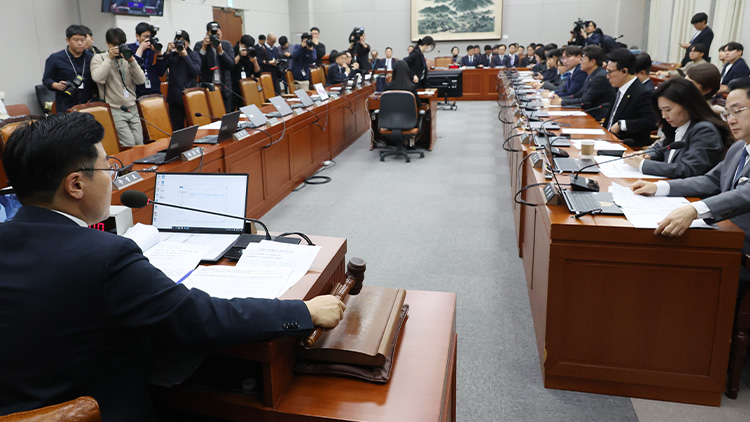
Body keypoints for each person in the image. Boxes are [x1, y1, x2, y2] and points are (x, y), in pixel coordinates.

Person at [0, 112, 346, 421]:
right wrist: (302, 311)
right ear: (76, 184)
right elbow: (200, 316)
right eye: (108, 168)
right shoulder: (104, 257)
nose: (112, 178)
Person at [630, 77, 750, 288]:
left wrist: (694, 210)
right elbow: (711, 180)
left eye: (737, 111)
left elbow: (744, 194)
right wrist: (659, 187)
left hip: (743, 251)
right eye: (727, 113)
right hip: (727, 238)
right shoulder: (739, 148)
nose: (730, 119)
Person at [623, 78, 731, 178]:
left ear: (687, 105)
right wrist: (646, 155)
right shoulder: (679, 124)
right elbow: (663, 147)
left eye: (668, 110)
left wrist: (643, 164)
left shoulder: (705, 130)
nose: (664, 116)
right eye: (661, 110)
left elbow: (689, 169)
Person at [90, 28, 146, 147]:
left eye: (120, 44)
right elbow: (98, 78)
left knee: (139, 142)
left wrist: (131, 60)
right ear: (107, 43)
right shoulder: (99, 58)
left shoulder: (127, 58)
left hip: (132, 106)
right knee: (129, 144)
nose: (118, 48)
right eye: (114, 45)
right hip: (114, 108)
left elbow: (141, 80)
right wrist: (109, 59)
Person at [603, 49, 657, 147]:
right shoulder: (619, 88)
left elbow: (651, 121)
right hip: (608, 140)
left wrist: (622, 125)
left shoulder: (643, 93)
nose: (607, 76)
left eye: (610, 72)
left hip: (628, 147)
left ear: (624, 71)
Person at [42, 25, 95, 113]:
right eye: (76, 40)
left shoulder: (91, 57)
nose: (80, 43)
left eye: (82, 40)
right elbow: (46, 79)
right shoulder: (56, 58)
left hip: (88, 104)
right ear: (68, 40)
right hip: (66, 104)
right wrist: (55, 85)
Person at [555, 45, 614, 120]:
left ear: (592, 62)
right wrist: (559, 99)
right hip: (588, 115)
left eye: (582, 59)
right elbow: (577, 95)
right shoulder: (591, 75)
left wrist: (561, 101)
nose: (580, 62)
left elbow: (584, 101)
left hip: (598, 118)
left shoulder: (600, 77)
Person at [194, 21, 235, 112]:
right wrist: (203, 48)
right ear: (207, 34)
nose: (216, 36)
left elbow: (231, 65)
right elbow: (197, 66)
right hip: (207, 89)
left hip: (224, 89)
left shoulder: (226, 45)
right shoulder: (199, 45)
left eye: (218, 34)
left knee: (226, 117)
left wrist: (220, 51)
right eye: (213, 34)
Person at [164, 30, 201, 130]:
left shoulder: (193, 55)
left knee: (192, 126)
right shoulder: (172, 55)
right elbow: (162, 68)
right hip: (174, 99)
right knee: (177, 128)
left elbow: (195, 72)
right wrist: (167, 52)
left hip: (188, 97)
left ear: (187, 43)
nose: (180, 43)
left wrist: (185, 55)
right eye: (177, 41)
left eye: (182, 41)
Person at [127, 22, 167, 97]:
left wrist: (159, 54)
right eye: (145, 37)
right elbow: (132, 68)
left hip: (155, 91)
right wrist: (141, 49)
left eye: (149, 37)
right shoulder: (130, 48)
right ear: (137, 36)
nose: (147, 39)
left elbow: (161, 72)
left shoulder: (152, 49)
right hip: (138, 92)